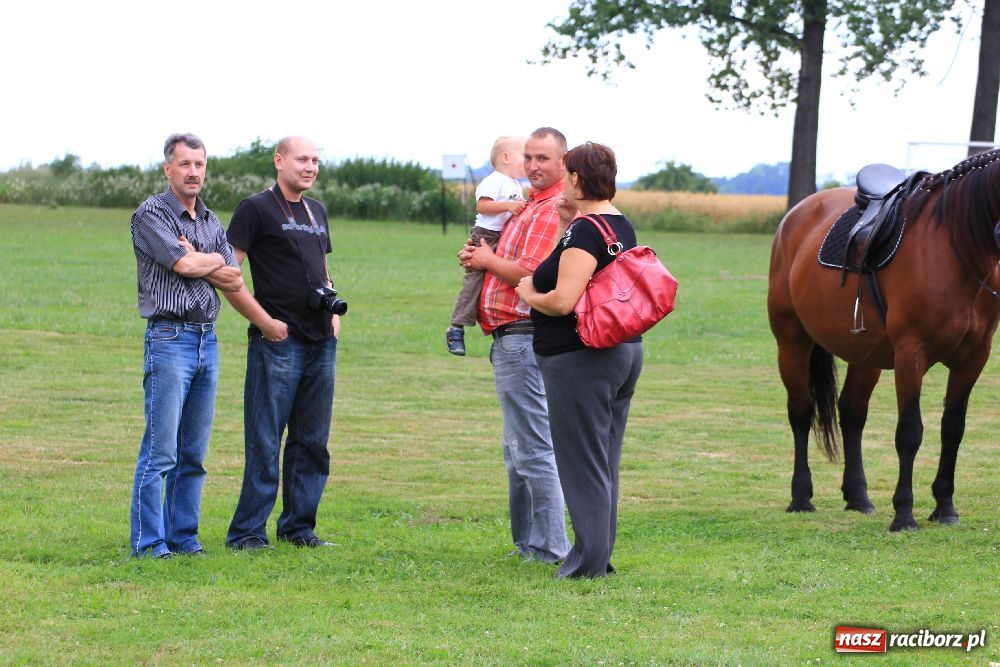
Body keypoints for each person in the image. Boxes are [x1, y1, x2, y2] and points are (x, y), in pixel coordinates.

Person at [515, 142, 644, 579]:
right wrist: (563, 225)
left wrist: (529, 294)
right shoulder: (618, 224)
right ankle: (596, 556)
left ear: (574, 178)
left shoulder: (586, 232)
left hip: (580, 358)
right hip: (622, 351)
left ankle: (587, 564)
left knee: (581, 462)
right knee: (603, 459)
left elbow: (563, 299)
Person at [458, 127, 571, 563]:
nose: (533, 166)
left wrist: (487, 261)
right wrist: (477, 258)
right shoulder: (527, 207)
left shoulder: (550, 212)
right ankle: (527, 543)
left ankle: (550, 548)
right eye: (528, 157)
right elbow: (502, 257)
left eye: (543, 158)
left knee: (533, 448)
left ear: (563, 162)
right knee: (516, 450)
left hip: (523, 338)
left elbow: (533, 272)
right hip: (506, 340)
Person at [223, 136, 342, 550]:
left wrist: (333, 309)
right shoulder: (254, 209)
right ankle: (247, 533)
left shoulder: (317, 210)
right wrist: (264, 322)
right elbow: (227, 274)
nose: (310, 166)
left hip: (320, 341)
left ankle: (298, 528)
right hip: (278, 341)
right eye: (302, 159)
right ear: (279, 161)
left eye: (315, 160)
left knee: (312, 441)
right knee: (265, 439)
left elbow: (323, 268)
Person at [129, 133, 243, 558]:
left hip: (206, 340)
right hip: (169, 338)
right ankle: (149, 543)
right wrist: (210, 260)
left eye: (199, 165)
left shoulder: (211, 221)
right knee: (161, 451)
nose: (193, 172)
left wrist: (205, 259)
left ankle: (184, 538)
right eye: (184, 164)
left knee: (193, 452)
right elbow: (185, 263)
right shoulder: (151, 214)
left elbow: (233, 277)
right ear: (167, 168)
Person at [446, 136, 526, 356]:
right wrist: (509, 206)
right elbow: (482, 206)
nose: (528, 161)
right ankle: (456, 327)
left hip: (503, 235)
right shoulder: (495, 180)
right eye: (524, 156)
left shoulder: (515, 183)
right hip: (487, 235)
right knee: (474, 280)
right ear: (506, 157)